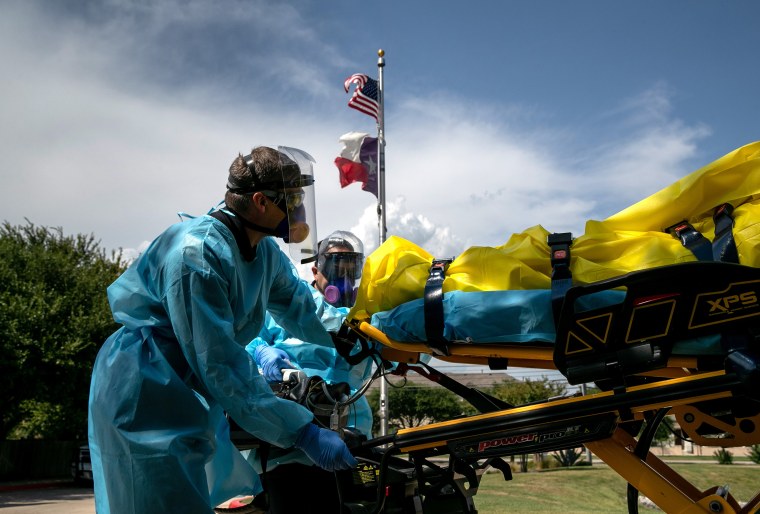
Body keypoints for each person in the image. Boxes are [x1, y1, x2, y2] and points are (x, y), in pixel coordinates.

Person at [88, 146, 357, 514]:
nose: (299, 210)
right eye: (291, 199)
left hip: (181, 392)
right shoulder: (195, 256)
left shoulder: (262, 251)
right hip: (143, 395)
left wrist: (349, 334)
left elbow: (300, 305)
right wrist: (301, 430)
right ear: (261, 201)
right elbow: (221, 364)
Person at [246, 231, 374, 513]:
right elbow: (243, 342)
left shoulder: (363, 317)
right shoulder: (288, 308)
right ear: (316, 269)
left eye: (350, 269)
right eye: (335, 267)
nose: (343, 277)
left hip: (347, 436)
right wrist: (260, 351)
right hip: (286, 445)